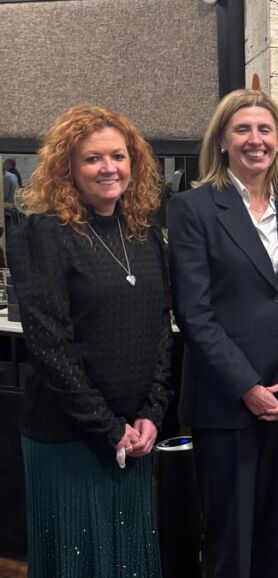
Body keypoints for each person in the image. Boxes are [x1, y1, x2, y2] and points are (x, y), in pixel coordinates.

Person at [8, 105, 170, 577]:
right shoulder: (43, 235)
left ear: (134, 163)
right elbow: (50, 347)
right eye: (92, 158)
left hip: (135, 438)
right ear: (67, 168)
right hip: (69, 438)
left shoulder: (144, 236)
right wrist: (108, 427)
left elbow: (160, 329)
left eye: (118, 156)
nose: (108, 168)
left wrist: (152, 413)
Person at [167, 88, 278, 578]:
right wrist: (248, 387)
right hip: (226, 401)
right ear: (222, 141)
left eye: (265, 129)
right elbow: (194, 313)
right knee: (229, 544)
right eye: (243, 129)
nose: (256, 140)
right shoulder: (193, 209)